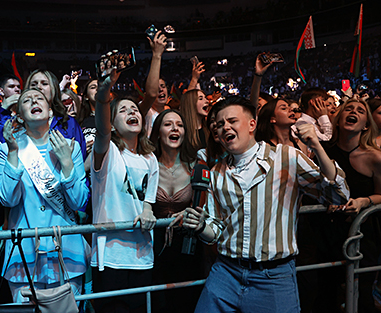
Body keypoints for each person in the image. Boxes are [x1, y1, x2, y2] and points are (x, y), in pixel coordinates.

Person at [182, 97, 349, 313]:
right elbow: (214, 231)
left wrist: (317, 146)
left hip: (273, 277)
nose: (225, 127)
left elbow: (339, 196)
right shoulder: (216, 174)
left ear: (252, 125)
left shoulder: (286, 157)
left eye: (232, 120)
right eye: (220, 124)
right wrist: (200, 227)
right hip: (226, 273)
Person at [0, 88, 90, 302]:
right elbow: (7, 199)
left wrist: (66, 162)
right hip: (24, 256)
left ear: (50, 112)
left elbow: (79, 201)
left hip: (66, 253)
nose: (33, 102)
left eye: (39, 98)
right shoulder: (7, 149)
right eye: (27, 100)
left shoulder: (71, 147)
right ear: (19, 116)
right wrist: (13, 153)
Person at [90, 70, 158, 313]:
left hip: (142, 255)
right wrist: (104, 95)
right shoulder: (108, 152)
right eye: (124, 110)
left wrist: (148, 211)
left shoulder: (150, 158)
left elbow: (148, 202)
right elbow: (101, 129)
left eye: (135, 109)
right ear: (112, 123)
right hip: (111, 256)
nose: (132, 112)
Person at [320, 98, 381, 313]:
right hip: (327, 235)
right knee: (327, 295)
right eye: (348, 108)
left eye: (360, 110)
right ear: (337, 119)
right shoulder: (322, 153)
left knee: (362, 295)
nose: (353, 111)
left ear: (366, 124)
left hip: (362, 236)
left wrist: (365, 201)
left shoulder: (374, 157)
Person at [149, 109, 202, 313]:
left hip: (186, 246)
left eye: (179, 125)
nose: (175, 128)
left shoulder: (195, 166)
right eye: (168, 124)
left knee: (186, 301)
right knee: (158, 303)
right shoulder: (148, 165)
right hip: (155, 247)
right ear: (158, 132)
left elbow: (205, 205)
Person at [0, 69, 87, 160]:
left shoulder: (67, 122)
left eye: (44, 83)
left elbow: (79, 158)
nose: (38, 87)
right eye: (34, 84)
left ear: (54, 90)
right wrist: (3, 110)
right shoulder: (17, 122)